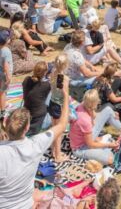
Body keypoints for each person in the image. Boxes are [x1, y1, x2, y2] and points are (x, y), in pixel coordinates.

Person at [0, 79, 69, 209]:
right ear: (26, 129)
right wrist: (65, 93)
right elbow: (62, 124)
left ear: (6, 123)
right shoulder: (36, 144)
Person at [70, 89, 121, 165]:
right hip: (80, 148)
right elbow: (90, 145)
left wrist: (112, 114)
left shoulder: (84, 104)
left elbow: (95, 116)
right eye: (98, 100)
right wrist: (108, 145)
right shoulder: (85, 120)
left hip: (87, 137)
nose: (99, 101)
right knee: (110, 159)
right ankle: (104, 146)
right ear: (94, 103)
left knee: (108, 110)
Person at [48, 53, 70, 162]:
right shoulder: (64, 79)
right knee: (59, 132)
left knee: (54, 127)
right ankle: (58, 156)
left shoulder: (53, 73)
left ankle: (53, 149)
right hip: (59, 106)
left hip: (52, 103)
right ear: (66, 65)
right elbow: (65, 95)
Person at [22, 61, 51, 136]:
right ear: (45, 73)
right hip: (38, 116)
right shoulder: (46, 85)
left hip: (27, 112)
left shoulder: (26, 80)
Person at [0, 29, 12, 120]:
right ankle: (3, 111)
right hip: (3, 76)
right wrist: (8, 77)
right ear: (7, 40)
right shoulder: (6, 51)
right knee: (3, 92)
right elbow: (6, 66)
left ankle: (3, 103)